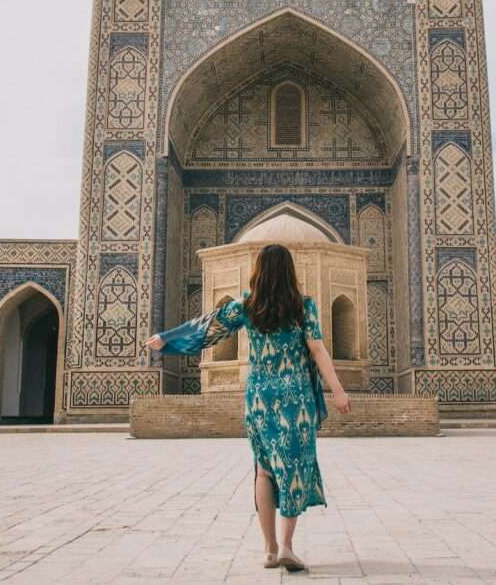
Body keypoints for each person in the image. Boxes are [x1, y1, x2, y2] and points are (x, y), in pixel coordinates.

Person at [144, 244, 351, 573]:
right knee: (293, 468)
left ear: (258, 271)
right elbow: (318, 350)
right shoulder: (303, 307)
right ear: (290, 271)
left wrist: (167, 338)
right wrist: (338, 391)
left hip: (259, 396)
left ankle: (269, 551)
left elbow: (207, 328)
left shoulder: (246, 305)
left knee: (264, 470)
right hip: (295, 397)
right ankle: (286, 546)